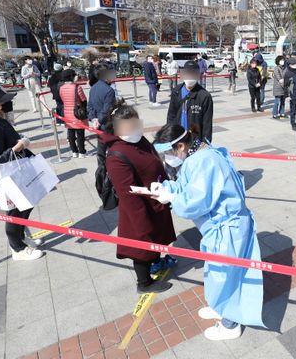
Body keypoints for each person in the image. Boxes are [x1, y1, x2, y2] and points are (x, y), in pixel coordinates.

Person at [150, 124, 264, 341]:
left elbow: (196, 201)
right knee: (216, 271)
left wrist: (172, 198)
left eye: (167, 153)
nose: (167, 158)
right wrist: (167, 188)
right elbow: (187, 185)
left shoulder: (204, 161)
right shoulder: (200, 153)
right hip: (220, 228)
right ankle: (219, 306)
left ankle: (230, 324)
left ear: (181, 146)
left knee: (225, 274)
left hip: (227, 228)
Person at [102, 104, 177, 292]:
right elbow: (128, 196)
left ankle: (157, 262)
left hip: (155, 199)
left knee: (158, 236)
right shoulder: (116, 155)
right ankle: (144, 282)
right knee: (142, 245)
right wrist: (142, 224)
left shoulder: (138, 139)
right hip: (139, 208)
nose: (134, 130)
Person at [0, 87, 44, 260]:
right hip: (5, 178)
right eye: (3, 101)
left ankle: (21, 237)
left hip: (16, 172)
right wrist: (20, 145)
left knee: (26, 206)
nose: (7, 103)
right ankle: (18, 249)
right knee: (14, 214)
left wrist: (17, 139)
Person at [166, 61, 214, 142]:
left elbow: (207, 123)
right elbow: (171, 115)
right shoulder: (176, 91)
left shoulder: (204, 96)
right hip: (177, 137)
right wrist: (169, 135)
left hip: (194, 139)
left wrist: (206, 143)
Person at [89, 66, 118, 165]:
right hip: (107, 123)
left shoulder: (93, 87)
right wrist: (99, 120)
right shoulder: (109, 91)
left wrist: (93, 119)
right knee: (113, 146)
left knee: (101, 147)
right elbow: (107, 110)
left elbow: (90, 106)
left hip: (97, 123)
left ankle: (101, 167)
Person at [59, 69, 88, 158]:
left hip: (67, 113)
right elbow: (83, 100)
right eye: (75, 75)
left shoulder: (61, 87)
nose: (76, 76)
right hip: (77, 113)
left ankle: (74, 151)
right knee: (80, 133)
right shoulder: (77, 87)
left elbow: (62, 100)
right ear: (71, 76)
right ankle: (82, 152)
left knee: (71, 132)